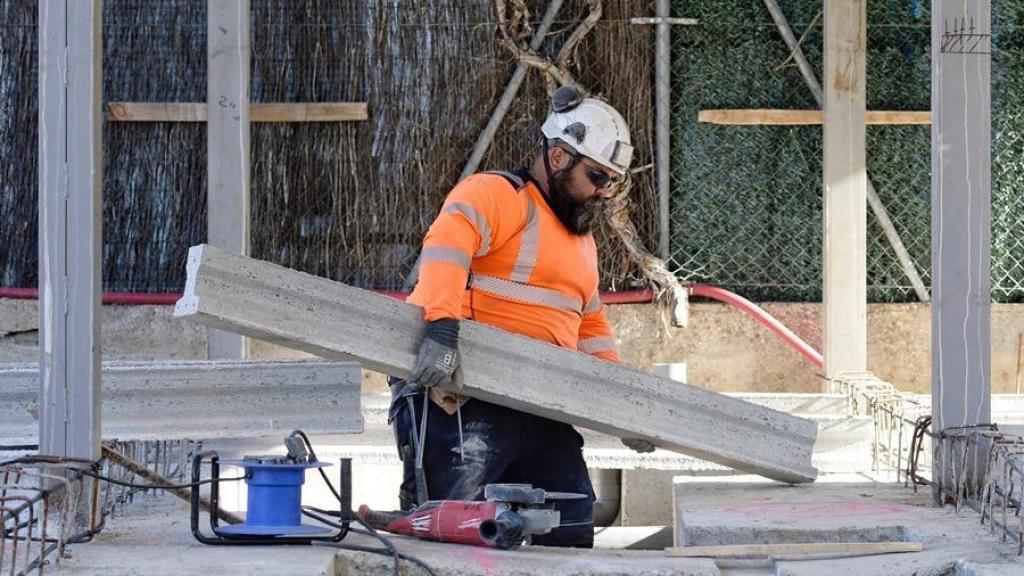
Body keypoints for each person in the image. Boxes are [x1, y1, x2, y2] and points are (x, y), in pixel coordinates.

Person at [388, 86, 653, 548]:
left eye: (611, 181)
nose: (603, 192)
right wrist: (442, 330)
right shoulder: (497, 194)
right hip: (469, 401)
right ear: (557, 158)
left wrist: (620, 407)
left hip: (544, 407)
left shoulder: (581, 243)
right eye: (596, 176)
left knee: (569, 529)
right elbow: (447, 245)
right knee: (456, 537)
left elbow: (590, 330)